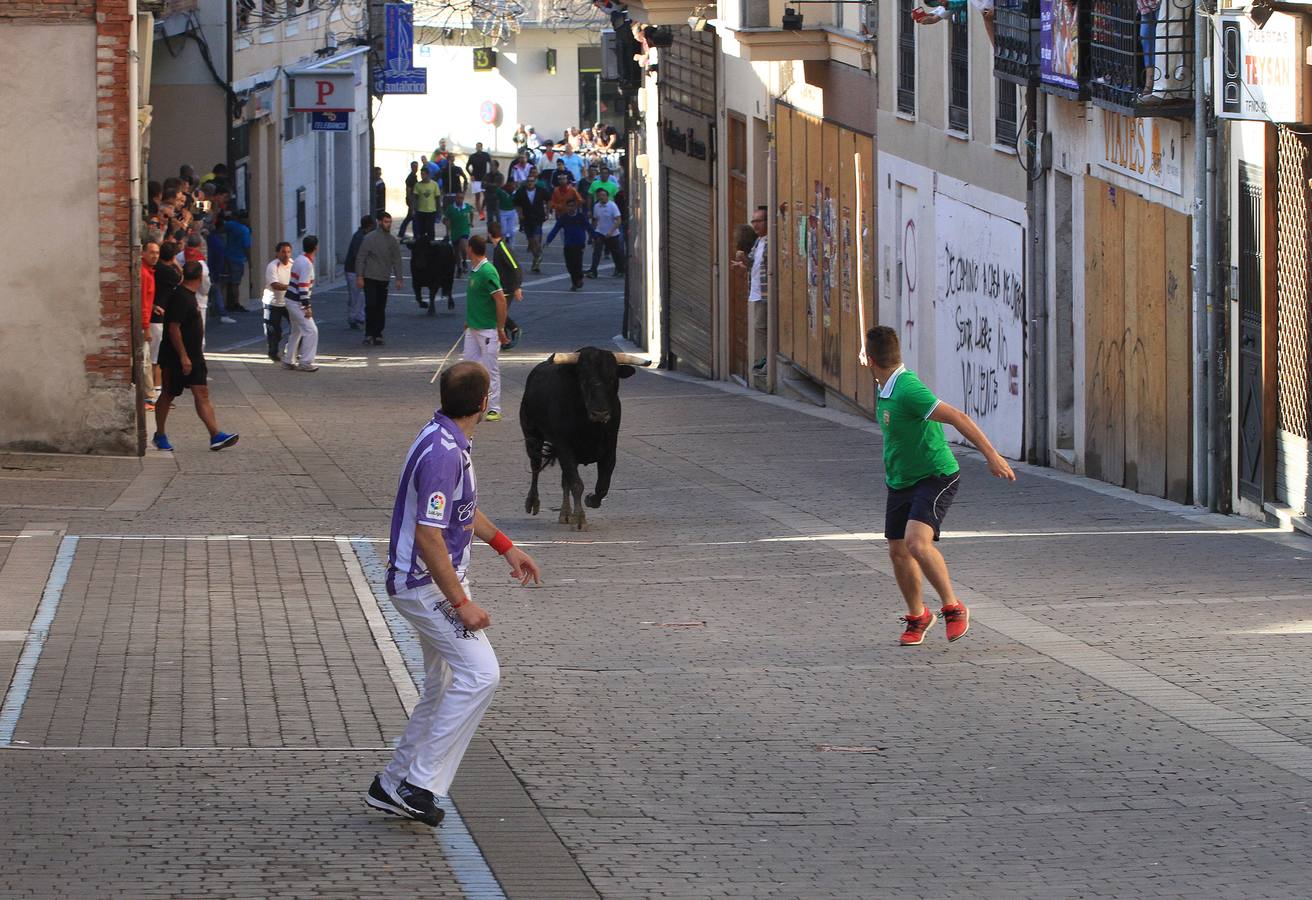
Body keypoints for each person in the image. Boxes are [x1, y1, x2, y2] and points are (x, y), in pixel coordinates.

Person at [364, 360, 541, 827]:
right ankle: (418, 785)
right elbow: (428, 535)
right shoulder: (444, 453)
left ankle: (390, 784)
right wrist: (460, 604)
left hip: (430, 581)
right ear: (484, 403)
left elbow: (461, 511)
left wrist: (505, 546)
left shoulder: (445, 439)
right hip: (424, 586)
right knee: (482, 673)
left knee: (442, 684)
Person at [862, 326, 1015, 647]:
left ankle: (953, 607)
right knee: (898, 551)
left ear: (870, 359)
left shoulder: (908, 389)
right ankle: (918, 616)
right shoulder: (885, 385)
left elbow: (958, 416)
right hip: (900, 479)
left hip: (935, 475)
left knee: (917, 543)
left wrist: (992, 456)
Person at [152, 260, 239, 452]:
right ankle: (159, 435)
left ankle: (215, 434)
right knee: (168, 394)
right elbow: (174, 329)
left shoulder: (189, 295)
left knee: (202, 392)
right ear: (200, 278)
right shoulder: (181, 297)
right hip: (176, 357)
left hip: (194, 356)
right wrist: (183, 357)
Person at [461, 235, 510, 421]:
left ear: (471, 249)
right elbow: (477, 299)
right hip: (473, 328)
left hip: (487, 329)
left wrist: (500, 328)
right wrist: (469, 318)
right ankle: (472, 404)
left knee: (490, 369)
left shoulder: (487, 271)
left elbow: (500, 300)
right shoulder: (475, 269)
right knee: (469, 368)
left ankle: (494, 408)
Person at [356, 211, 405, 346]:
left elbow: (397, 260)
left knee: (380, 306)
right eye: (385, 222)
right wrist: (360, 276)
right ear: (379, 222)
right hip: (370, 277)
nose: (388, 224)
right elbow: (361, 257)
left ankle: (378, 333)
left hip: (383, 278)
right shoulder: (369, 238)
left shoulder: (392, 241)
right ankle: (369, 332)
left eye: (389, 222)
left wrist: (399, 278)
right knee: (371, 305)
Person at [732, 206, 769, 373]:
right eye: (753, 221)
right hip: (756, 292)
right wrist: (743, 261)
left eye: (759, 221)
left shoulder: (769, 242)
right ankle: (767, 358)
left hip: (765, 293)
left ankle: (768, 360)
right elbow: (753, 263)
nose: (755, 225)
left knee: (761, 326)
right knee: (760, 327)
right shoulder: (758, 242)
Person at [282, 235, 320, 372]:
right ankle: (306, 361)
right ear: (315, 247)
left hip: (291, 299)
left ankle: (289, 359)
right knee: (311, 330)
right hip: (297, 301)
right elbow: (303, 286)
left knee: (297, 330)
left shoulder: (299, 259)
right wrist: (307, 307)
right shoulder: (306, 264)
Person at [544, 198, 589, 290]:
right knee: (570, 264)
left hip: (579, 244)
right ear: (566, 207)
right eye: (568, 206)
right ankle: (574, 281)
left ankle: (577, 280)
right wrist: (548, 240)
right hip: (568, 244)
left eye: (572, 206)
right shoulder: (564, 218)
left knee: (578, 263)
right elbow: (555, 229)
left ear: (576, 207)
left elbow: (588, 227)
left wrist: (595, 237)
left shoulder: (580, 217)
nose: (570, 208)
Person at [262, 242, 293, 363]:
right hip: (272, 303)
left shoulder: (293, 265)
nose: (286, 255)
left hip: (288, 302)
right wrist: (291, 287)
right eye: (283, 252)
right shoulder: (272, 266)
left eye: (288, 252)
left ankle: (290, 349)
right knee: (274, 331)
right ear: (277, 253)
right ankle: (273, 352)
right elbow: (275, 285)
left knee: (297, 327)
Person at [514, 169, 550, 273]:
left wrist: (547, 212)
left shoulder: (541, 190)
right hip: (526, 218)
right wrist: (520, 214)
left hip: (538, 217)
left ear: (535, 182)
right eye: (528, 181)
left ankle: (538, 256)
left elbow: (548, 200)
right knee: (530, 241)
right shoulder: (521, 191)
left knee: (536, 238)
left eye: (532, 181)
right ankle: (537, 258)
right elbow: (517, 203)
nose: (530, 183)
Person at [344, 215, 375, 330]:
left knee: (358, 295)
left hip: (355, 270)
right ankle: (354, 318)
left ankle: (359, 316)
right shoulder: (360, 238)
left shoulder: (360, 236)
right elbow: (358, 256)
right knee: (355, 295)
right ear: (370, 226)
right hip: (354, 270)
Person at [587, 188, 625, 279]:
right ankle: (593, 271)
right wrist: (593, 234)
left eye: (603, 195)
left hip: (612, 233)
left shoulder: (612, 206)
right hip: (600, 232)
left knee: (616, 253)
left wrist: (611, 231)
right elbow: (596, 220)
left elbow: (619, 220)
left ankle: (620, 270)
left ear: (607, 196)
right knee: (597, 252)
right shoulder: (596, 206)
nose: (601, 197)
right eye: (600, 195)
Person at [140, 242, 159, 409]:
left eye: (157, 253)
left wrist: (153, 307)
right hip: (142, 323)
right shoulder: (144, 274)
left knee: (145, 359)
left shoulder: (148, 272)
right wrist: (146, 328)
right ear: (143, 253)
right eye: (152, 252)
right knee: (145, 360)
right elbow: (141, 304)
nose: (155, 256)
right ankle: (149, 396)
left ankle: (148, 395)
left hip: (143, 320)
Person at [486, 219, 522, 306]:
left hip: (507, 288)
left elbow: (515, 266)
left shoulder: (502, 248)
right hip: (501, 287)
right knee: (499, 315)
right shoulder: (498, 247)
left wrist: (517, 287)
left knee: (498, 315)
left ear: (490, 234)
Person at [223, 210, 252, 312]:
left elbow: (222, 229)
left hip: (227, 256)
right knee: (236, 282)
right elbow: (246, 247)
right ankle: (235, 303)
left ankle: (226, 302)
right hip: (238, 258)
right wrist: (250, 261)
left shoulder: (230, 225)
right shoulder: (245, 230)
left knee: (227, 281)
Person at [444, 192, 474, 277]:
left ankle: (464, 261)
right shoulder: (451, 208)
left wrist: (470, 222)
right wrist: (447, 226)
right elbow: (446, 218)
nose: (460, 200)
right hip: (454, 232)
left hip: (464, 230)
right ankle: (459, 268)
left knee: (463, 246)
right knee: (456, 252)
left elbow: (472, 211)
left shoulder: (466, 206)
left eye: (461, 198)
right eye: (458, 198)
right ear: (455, 198)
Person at [488, 175, 518, 249]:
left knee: (512, 231)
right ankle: (502, 247)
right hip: (503, 211)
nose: (512, 185)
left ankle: (511, 247)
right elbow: (494, 198)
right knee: (503, 231)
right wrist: (495, 208)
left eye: (513, 183)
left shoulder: (516, 191)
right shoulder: (501, 190)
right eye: (511, 184)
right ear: (508, 184)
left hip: (512, 211)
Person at [466, 142, 492, 221]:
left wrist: (489, 175)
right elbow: (467, 167)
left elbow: (491, 164)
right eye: (477, 146)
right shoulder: (472, 156)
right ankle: (481, 214)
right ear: (476, 147)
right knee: (478, 197)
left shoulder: (486, 155)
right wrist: (471, 175)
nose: (478, 148)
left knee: (486, 196)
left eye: (480, 146)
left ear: (482, 147)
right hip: (476, 179)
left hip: (484, 179)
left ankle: (483, 209)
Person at [413, 167, 441, 241]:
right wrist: (414, 209)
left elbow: (437, 198)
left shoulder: (434, 184)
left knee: (430, 229)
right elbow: (415, 198)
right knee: (421, 230)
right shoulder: (417, 185)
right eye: (421, 174)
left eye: (423, 174)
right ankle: (422, 245)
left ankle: (431, 245)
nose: (422, 176)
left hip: (431, 211)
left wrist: (439, 210)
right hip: (421, 211)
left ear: (428, 175)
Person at [398, 161, 420, 241]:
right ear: (411, 167)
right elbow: (408, 190)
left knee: (410, 217)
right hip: (412, 200)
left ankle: (402, 232)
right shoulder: (410, 177)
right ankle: (415, 234)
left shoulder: (414, 176)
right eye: (414, 166)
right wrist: (410, 202)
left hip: (413, 199)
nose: (416, 168)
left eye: (417, 166)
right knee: (413, 217)